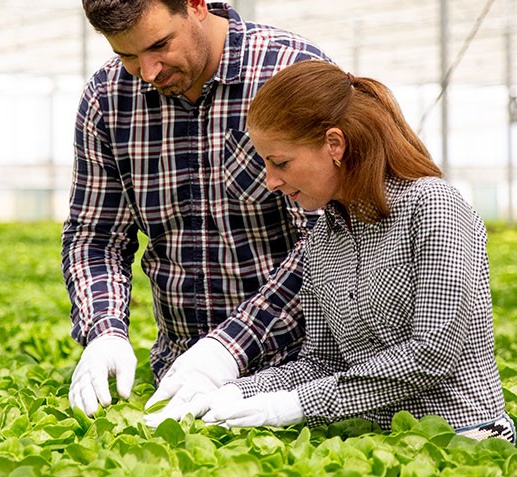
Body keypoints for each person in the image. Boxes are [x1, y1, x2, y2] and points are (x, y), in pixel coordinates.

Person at [147, 60, 514, 444]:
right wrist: (237, 392)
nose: (271, 182)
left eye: (281, 163)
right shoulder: (322, 238)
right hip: (376, 441)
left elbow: (432, 353)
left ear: (334, 144)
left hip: (466, 438)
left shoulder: (432, 206)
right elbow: (322, 362)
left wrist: (295, 405)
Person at [63, 0, 333, 417]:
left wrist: (228, 348)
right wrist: (104, 331)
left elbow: (330, 239)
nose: (148, 72)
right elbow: (95, 238)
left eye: (159, 45)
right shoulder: (108, 98)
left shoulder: (286, 70)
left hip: (300, 376)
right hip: (177, 381)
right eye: (128, 56)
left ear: (196, 5)